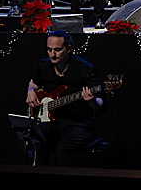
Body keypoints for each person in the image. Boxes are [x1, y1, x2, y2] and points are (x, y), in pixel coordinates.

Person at [26, 30, 105, 167]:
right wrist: (31, 90)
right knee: (35, 141)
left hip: (78, 123)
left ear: (68, 49)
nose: (52, 54)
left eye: (57, 50)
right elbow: (33, 82)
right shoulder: (44, 65)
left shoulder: (84, 69)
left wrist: (91, 101)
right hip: (51, 121)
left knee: (63, 150)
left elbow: (99, 104)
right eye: (49, 50)